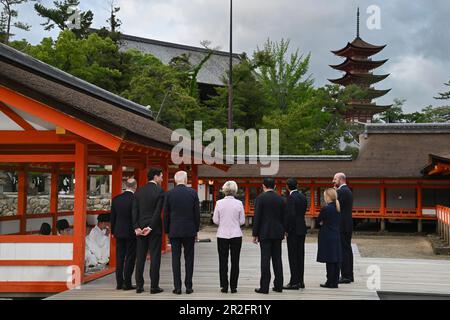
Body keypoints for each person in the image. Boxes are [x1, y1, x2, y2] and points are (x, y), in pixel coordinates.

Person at [164, 171, 200, 295]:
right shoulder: (193, 193)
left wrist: (167, 230)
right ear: (186, 180)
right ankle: (189, 286)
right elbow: (197, 214)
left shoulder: (169, 194)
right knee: (189, 258)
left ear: (175, 180)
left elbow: (166, 214)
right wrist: (196, 230)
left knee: (176, 258)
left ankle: (177, 287)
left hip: (174, 230)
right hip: (189, 229)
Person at [132, 168, 165, 294]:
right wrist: (150, 227)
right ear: (155, 177)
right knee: (155, 257)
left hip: (140, 229)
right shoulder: (160, 191)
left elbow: (134, 211)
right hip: (154, 229)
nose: (162, 179)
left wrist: (136, 227)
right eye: (161, 177)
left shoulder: (139, 191)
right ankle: (154, 286)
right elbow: (158, 212)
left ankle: (139, 286)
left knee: (140, 257)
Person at [252, 177, 285, 294]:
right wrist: (284, 231)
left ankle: (264, 287)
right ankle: (279, 285)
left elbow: (257, 217)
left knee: (265, 259)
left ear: (263, 186)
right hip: (277, 232)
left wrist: (255, 234)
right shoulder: (280, 198)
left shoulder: (260, 198)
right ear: (275, 186)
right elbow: (284, 217)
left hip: (265, 232)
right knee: (277, 259)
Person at [213, 181, 246, 294]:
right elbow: (242, 221)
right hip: (236, 234)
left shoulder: (219, 203)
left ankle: (224, 286)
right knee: (235, 261)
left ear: (224, 190)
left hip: (222, 234)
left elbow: (215, 220)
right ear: (235, 190)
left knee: (223, 261)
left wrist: (223, 223)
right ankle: (234, 286)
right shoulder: (239, 204)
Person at [111, 179, 138, 291]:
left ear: (125, 186)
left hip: (119, 231)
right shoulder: (135, 199)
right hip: (131, 232)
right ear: (135, 186)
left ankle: (119, 282)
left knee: (120, 257)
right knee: (130, 257)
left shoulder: (116, 199)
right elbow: (136, 216)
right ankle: (127, 282)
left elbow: (113, 218)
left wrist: (113, 231)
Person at [283, 178, 307, 290]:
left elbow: (290, 215)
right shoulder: (303, 197)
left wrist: (287, 229)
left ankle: (294, 282)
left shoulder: (291, 198)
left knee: (293, 256)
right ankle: (301, 281)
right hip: (302, 228)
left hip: (293, 230)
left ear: (287, 187)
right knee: (300, 256)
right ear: (297, 185)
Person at [317, 188, 342, 289]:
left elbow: (319, 220)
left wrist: (322, 222)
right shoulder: (338, 208)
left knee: (329, 259)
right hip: (336, 234)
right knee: (336, 258)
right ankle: (335, 281)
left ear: (328, 197)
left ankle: (330, 281)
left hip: (327, 235)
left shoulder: (326, 208)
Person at [333, 172, 354, 284]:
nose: (333, 181)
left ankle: (345, 275)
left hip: (342, 225)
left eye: (335, 179)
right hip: (347, 224)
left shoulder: (342, 191)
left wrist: (334, 195)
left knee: (344, 250)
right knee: (347, 249)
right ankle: (349, 275)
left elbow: (336, 206)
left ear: (341, 179)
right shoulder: (348, 191)